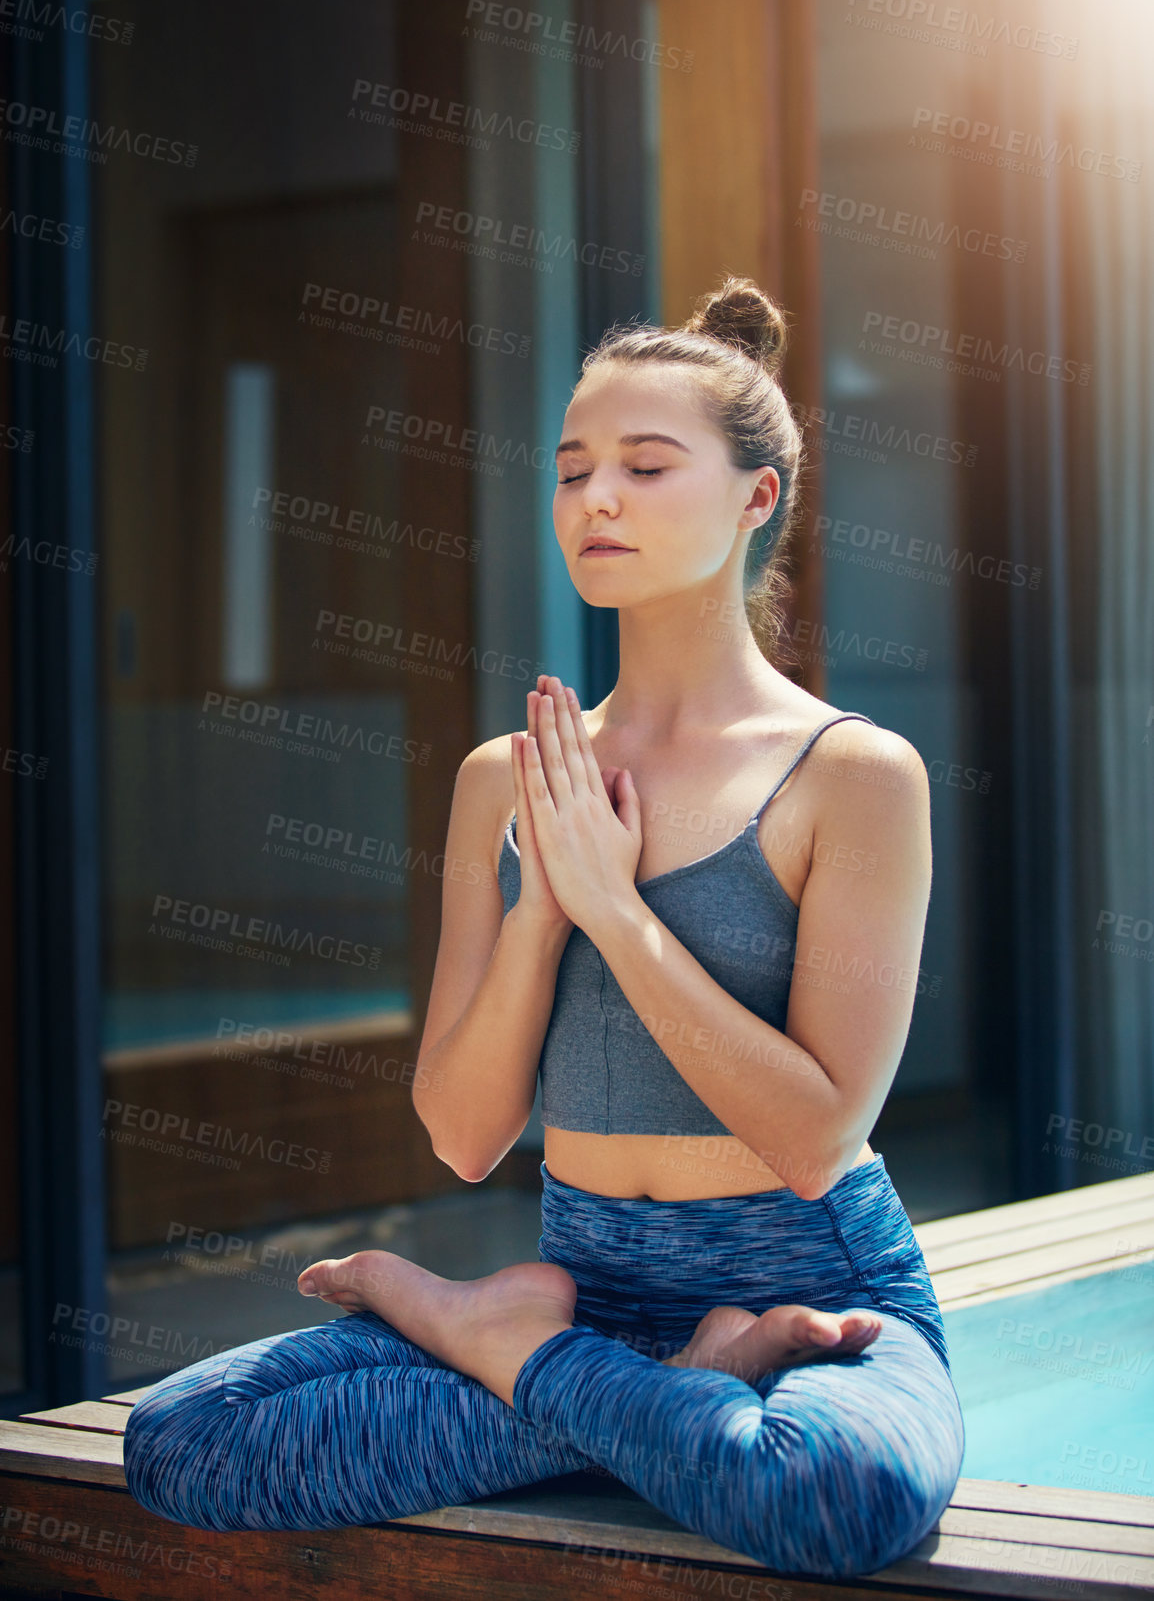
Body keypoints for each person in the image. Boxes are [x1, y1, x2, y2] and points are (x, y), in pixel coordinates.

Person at [123, 276, 965, 1579]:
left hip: (810, 1278)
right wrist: (545, 902)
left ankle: (504, 1348)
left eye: (643, 465)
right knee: (187, 1441)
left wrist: (619, 912)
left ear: (756, 498)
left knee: (836, 1497)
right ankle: (655, 1386)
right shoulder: (499, 776)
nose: (597, 501)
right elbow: (465, 1138)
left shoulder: (855, 776)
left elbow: (812, 1138)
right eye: (572, 471)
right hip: (593, 1268)